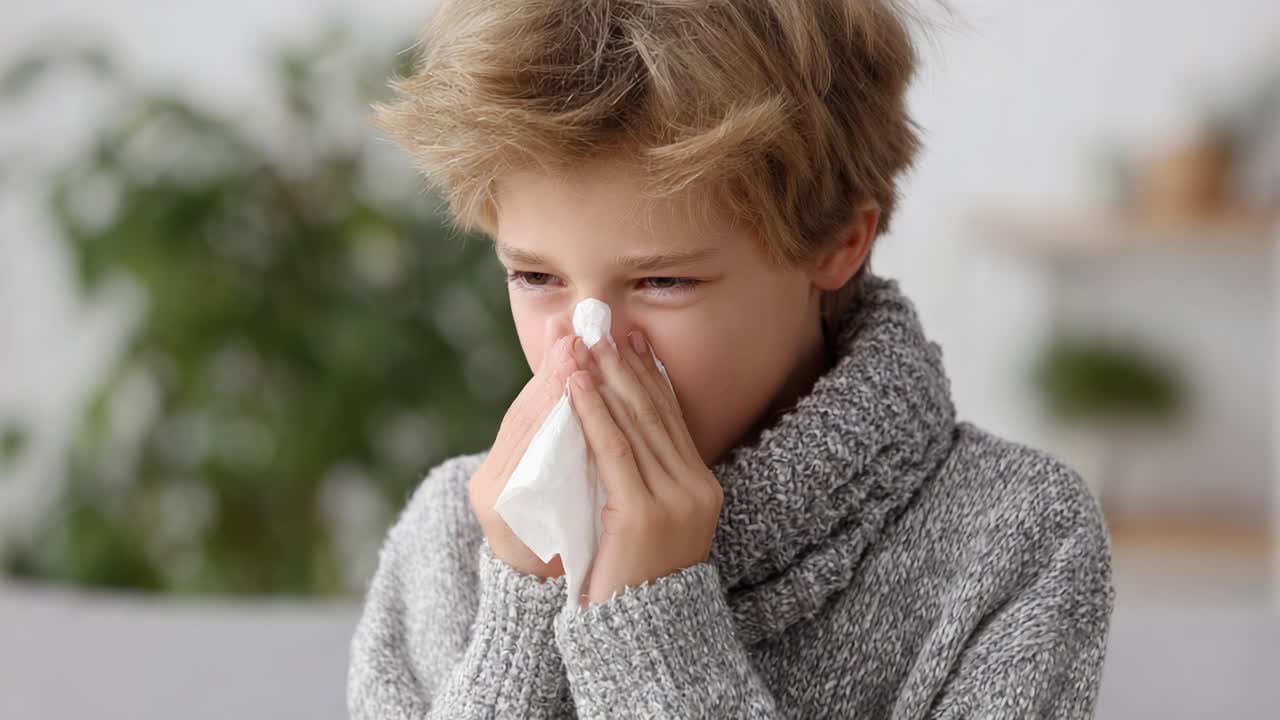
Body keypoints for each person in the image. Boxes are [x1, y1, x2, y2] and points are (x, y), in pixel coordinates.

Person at [347, 1, 1115, 717]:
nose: (588, 346)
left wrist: (657, 643)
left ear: (837, 242)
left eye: (663, 281)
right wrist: (522, 612)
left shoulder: (1012, 536)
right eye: (536, 277)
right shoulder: (453, 538)